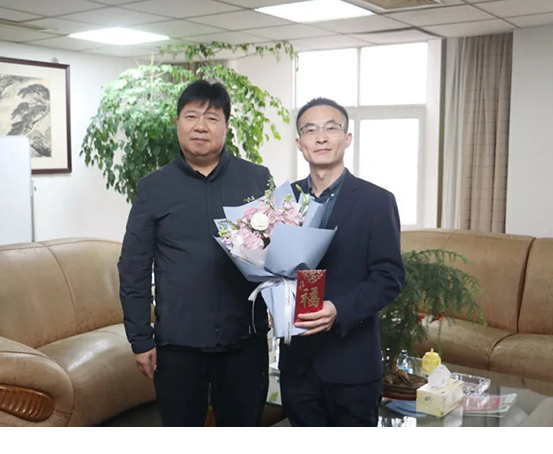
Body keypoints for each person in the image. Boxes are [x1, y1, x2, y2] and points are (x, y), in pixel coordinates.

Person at [118, 80, 271, 427]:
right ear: (177, 123)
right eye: (191, 116)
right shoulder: (153, 188)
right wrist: (140, 339)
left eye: (212, 118)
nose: (201, 126)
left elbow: (277, 255)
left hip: (244, 342)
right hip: (178, 346)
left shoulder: (256, 180)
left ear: (227, 125)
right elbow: (133, 268)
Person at [279, 97, 405, 426]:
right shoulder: (284, 201)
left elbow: (389, 277)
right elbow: (272, 268)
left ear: (347, 138)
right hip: (297, 366)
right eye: (310, 130)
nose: (321, 137)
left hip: (352, 367)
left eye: (331, 128)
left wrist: (338, 309)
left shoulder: (377, 201)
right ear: (300, 143)